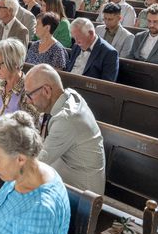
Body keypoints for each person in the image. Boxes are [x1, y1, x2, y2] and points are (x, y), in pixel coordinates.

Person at [25, 64, 106, 194]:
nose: (27, 101)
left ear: (46, 90)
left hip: (82, 194)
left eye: (29, 95)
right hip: (66, 178)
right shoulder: (68, 95)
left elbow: (37, 162)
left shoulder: (66, 120)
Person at [66, 18, 119, 82]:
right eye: (74, 38)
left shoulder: (109, 53)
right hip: (69, 84)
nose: (76, 42)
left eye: (79, 38)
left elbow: (107, 84)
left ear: (91, 34)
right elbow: (69, 69)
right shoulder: (76, 46)